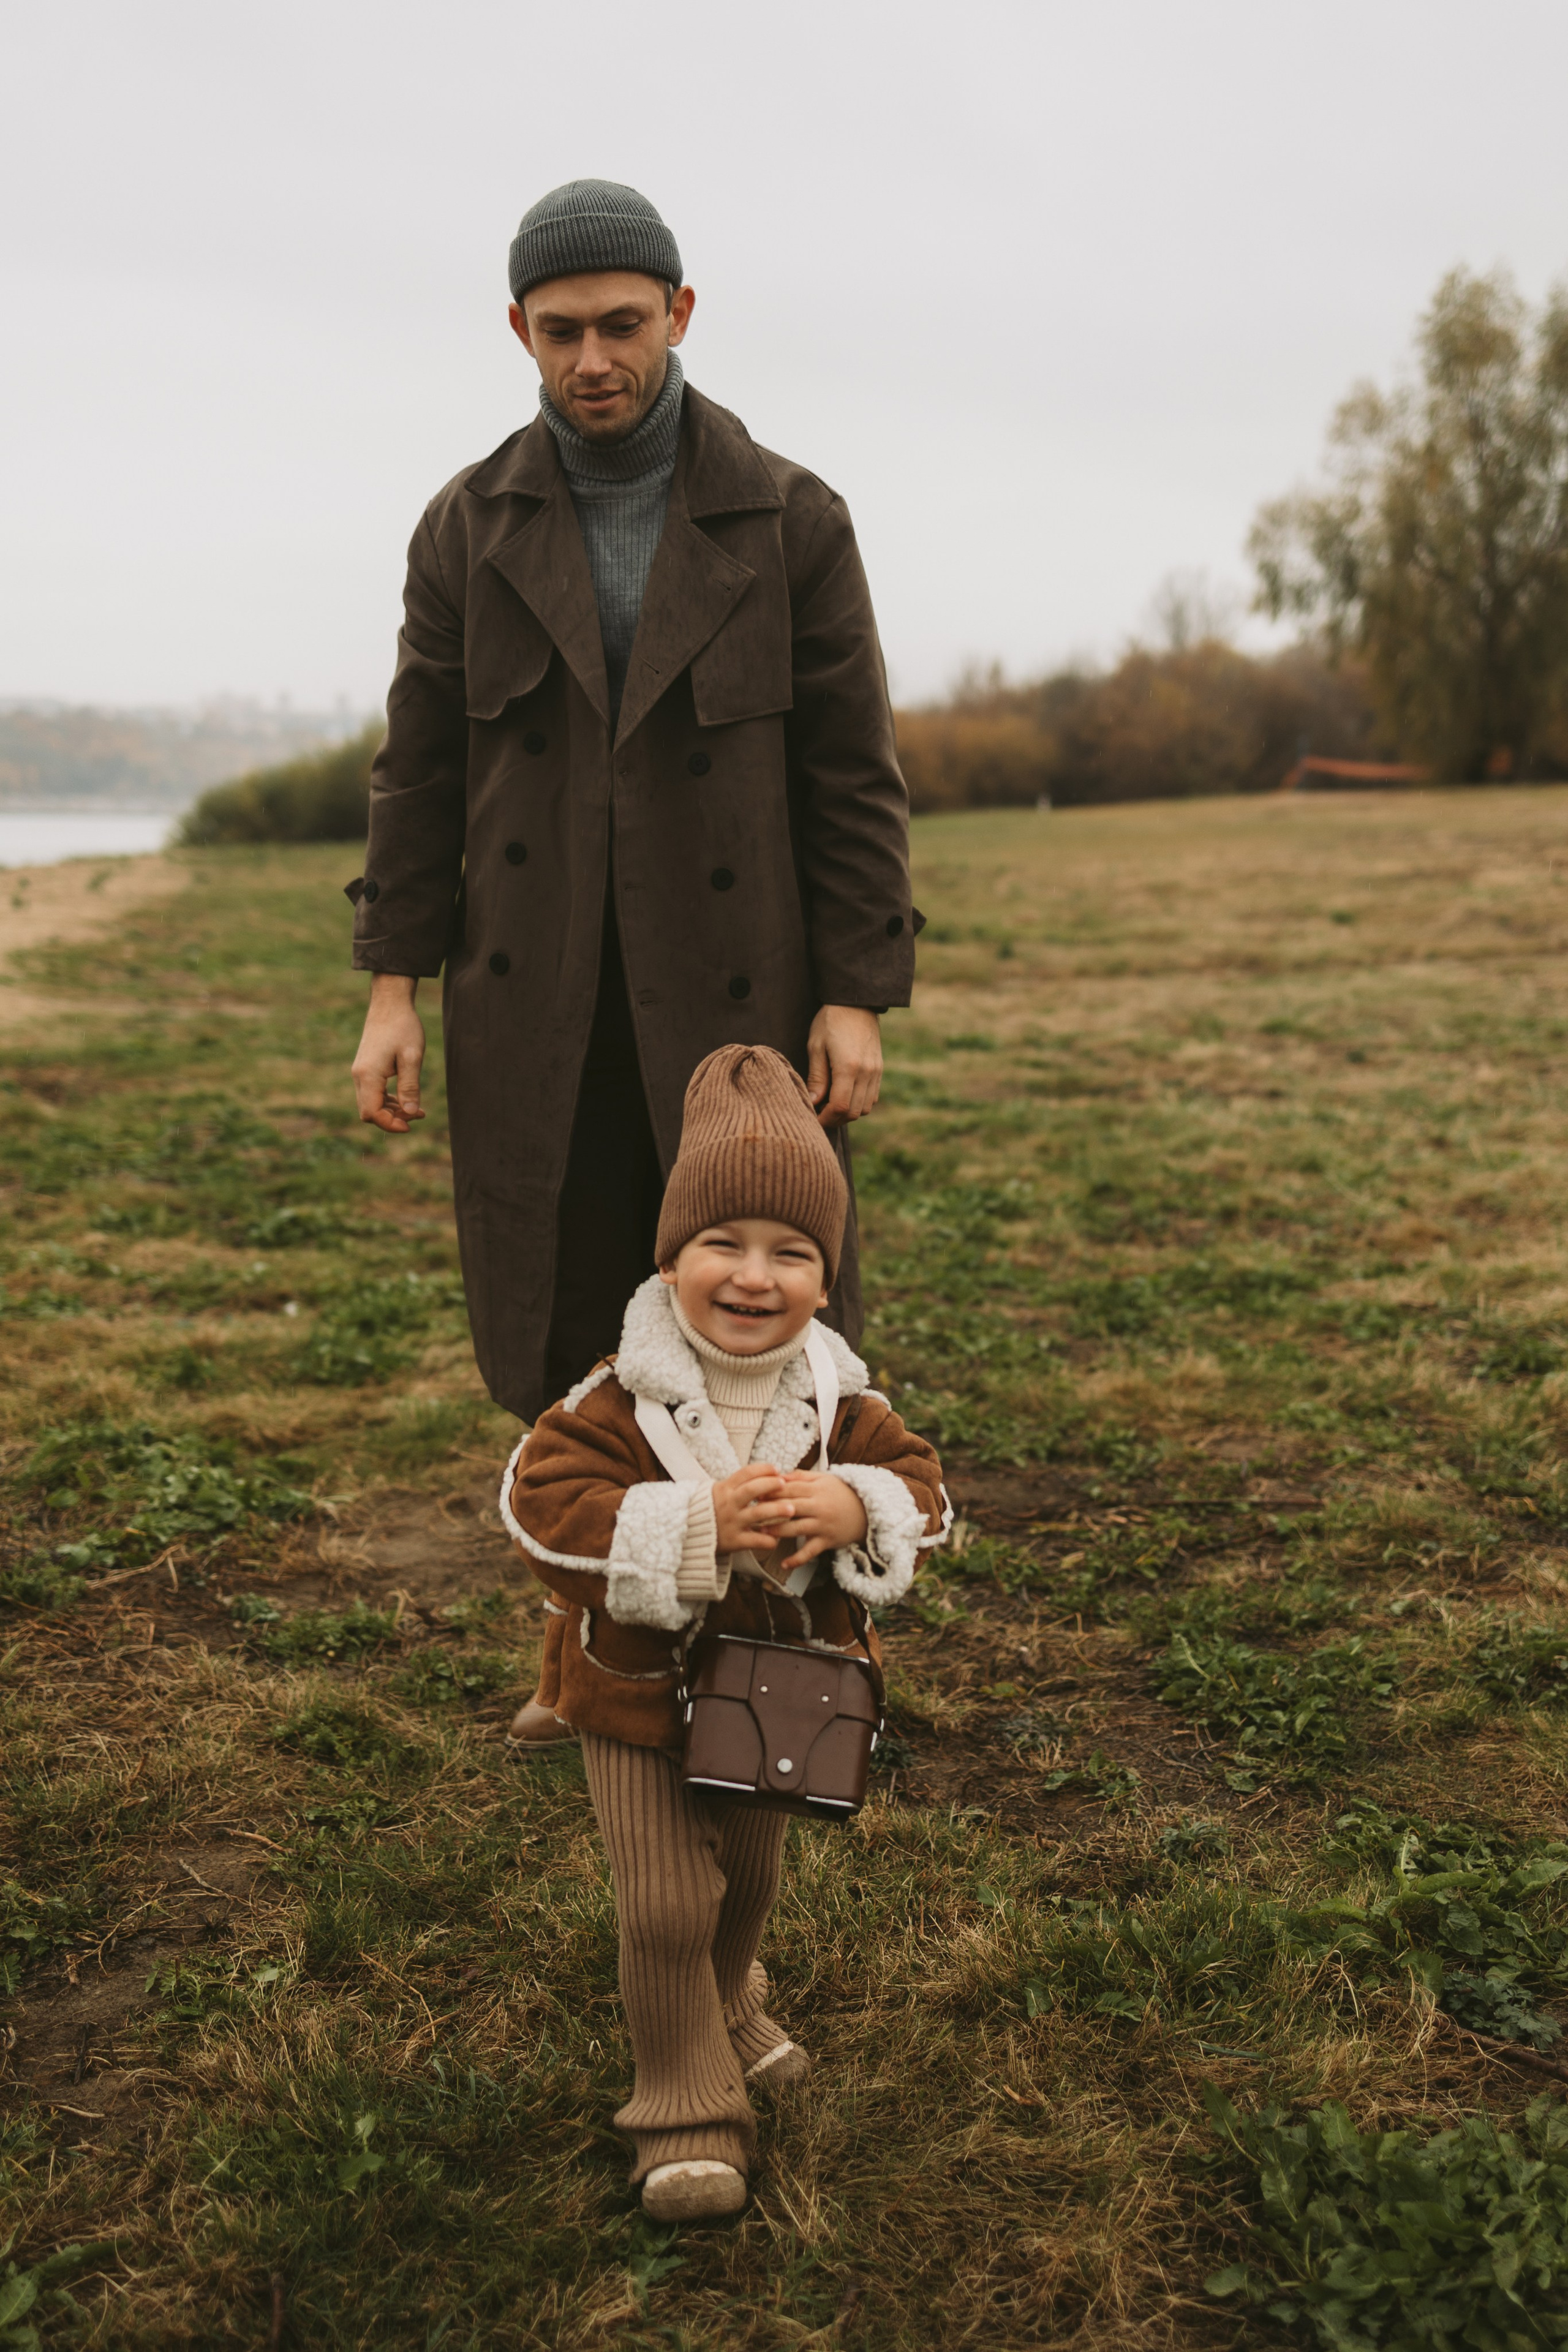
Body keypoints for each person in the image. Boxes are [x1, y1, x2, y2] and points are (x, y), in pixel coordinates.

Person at [347, 179, 919, 1426]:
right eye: (562, 333)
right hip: (533, 990)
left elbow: (850, 776)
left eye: (622, 325)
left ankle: (758, 1591)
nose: (593, 360)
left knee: (755, 1305)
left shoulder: (791, 519)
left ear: (680, 313)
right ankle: (594, 1586)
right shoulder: (465, 526)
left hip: (735, 988)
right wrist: (392, 990)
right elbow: (420, 769)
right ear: (519, 334)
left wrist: (854, 993)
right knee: (560, 1316)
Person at [501, 1045, 948, 2222]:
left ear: (826, 1275)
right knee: (664, 1902)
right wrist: (688, 1521)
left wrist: (859, 1504)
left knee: (746, 1875)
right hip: (636, 1685)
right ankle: (683, 2107)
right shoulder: (619, 1398)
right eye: (724, 1246)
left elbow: (925, 1492)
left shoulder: (841, 1401)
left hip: (781, 1692)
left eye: (792, 1254)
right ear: (673, 1257)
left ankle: (733, 1998)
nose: (755, 1279)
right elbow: (539, 1510)